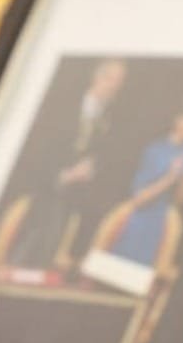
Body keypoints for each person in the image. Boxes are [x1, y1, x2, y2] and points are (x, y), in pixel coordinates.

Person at [9, 58, 127, 270]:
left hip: (78, 201)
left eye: (120, 82)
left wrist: (92, 168)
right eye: (111, 79)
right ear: (97, 77)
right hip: (44, 194)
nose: (115, 86)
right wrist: (64, 176)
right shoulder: (62, 107)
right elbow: (36, 154)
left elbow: (103, 158)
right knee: (33, 251)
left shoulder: (110, 119)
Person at [108, 98, 183, 267]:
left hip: (162, 225)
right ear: (179, 119)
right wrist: (170, 178)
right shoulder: (155, 150)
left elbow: (179, 202)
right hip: (140, 220)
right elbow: (139, 200)